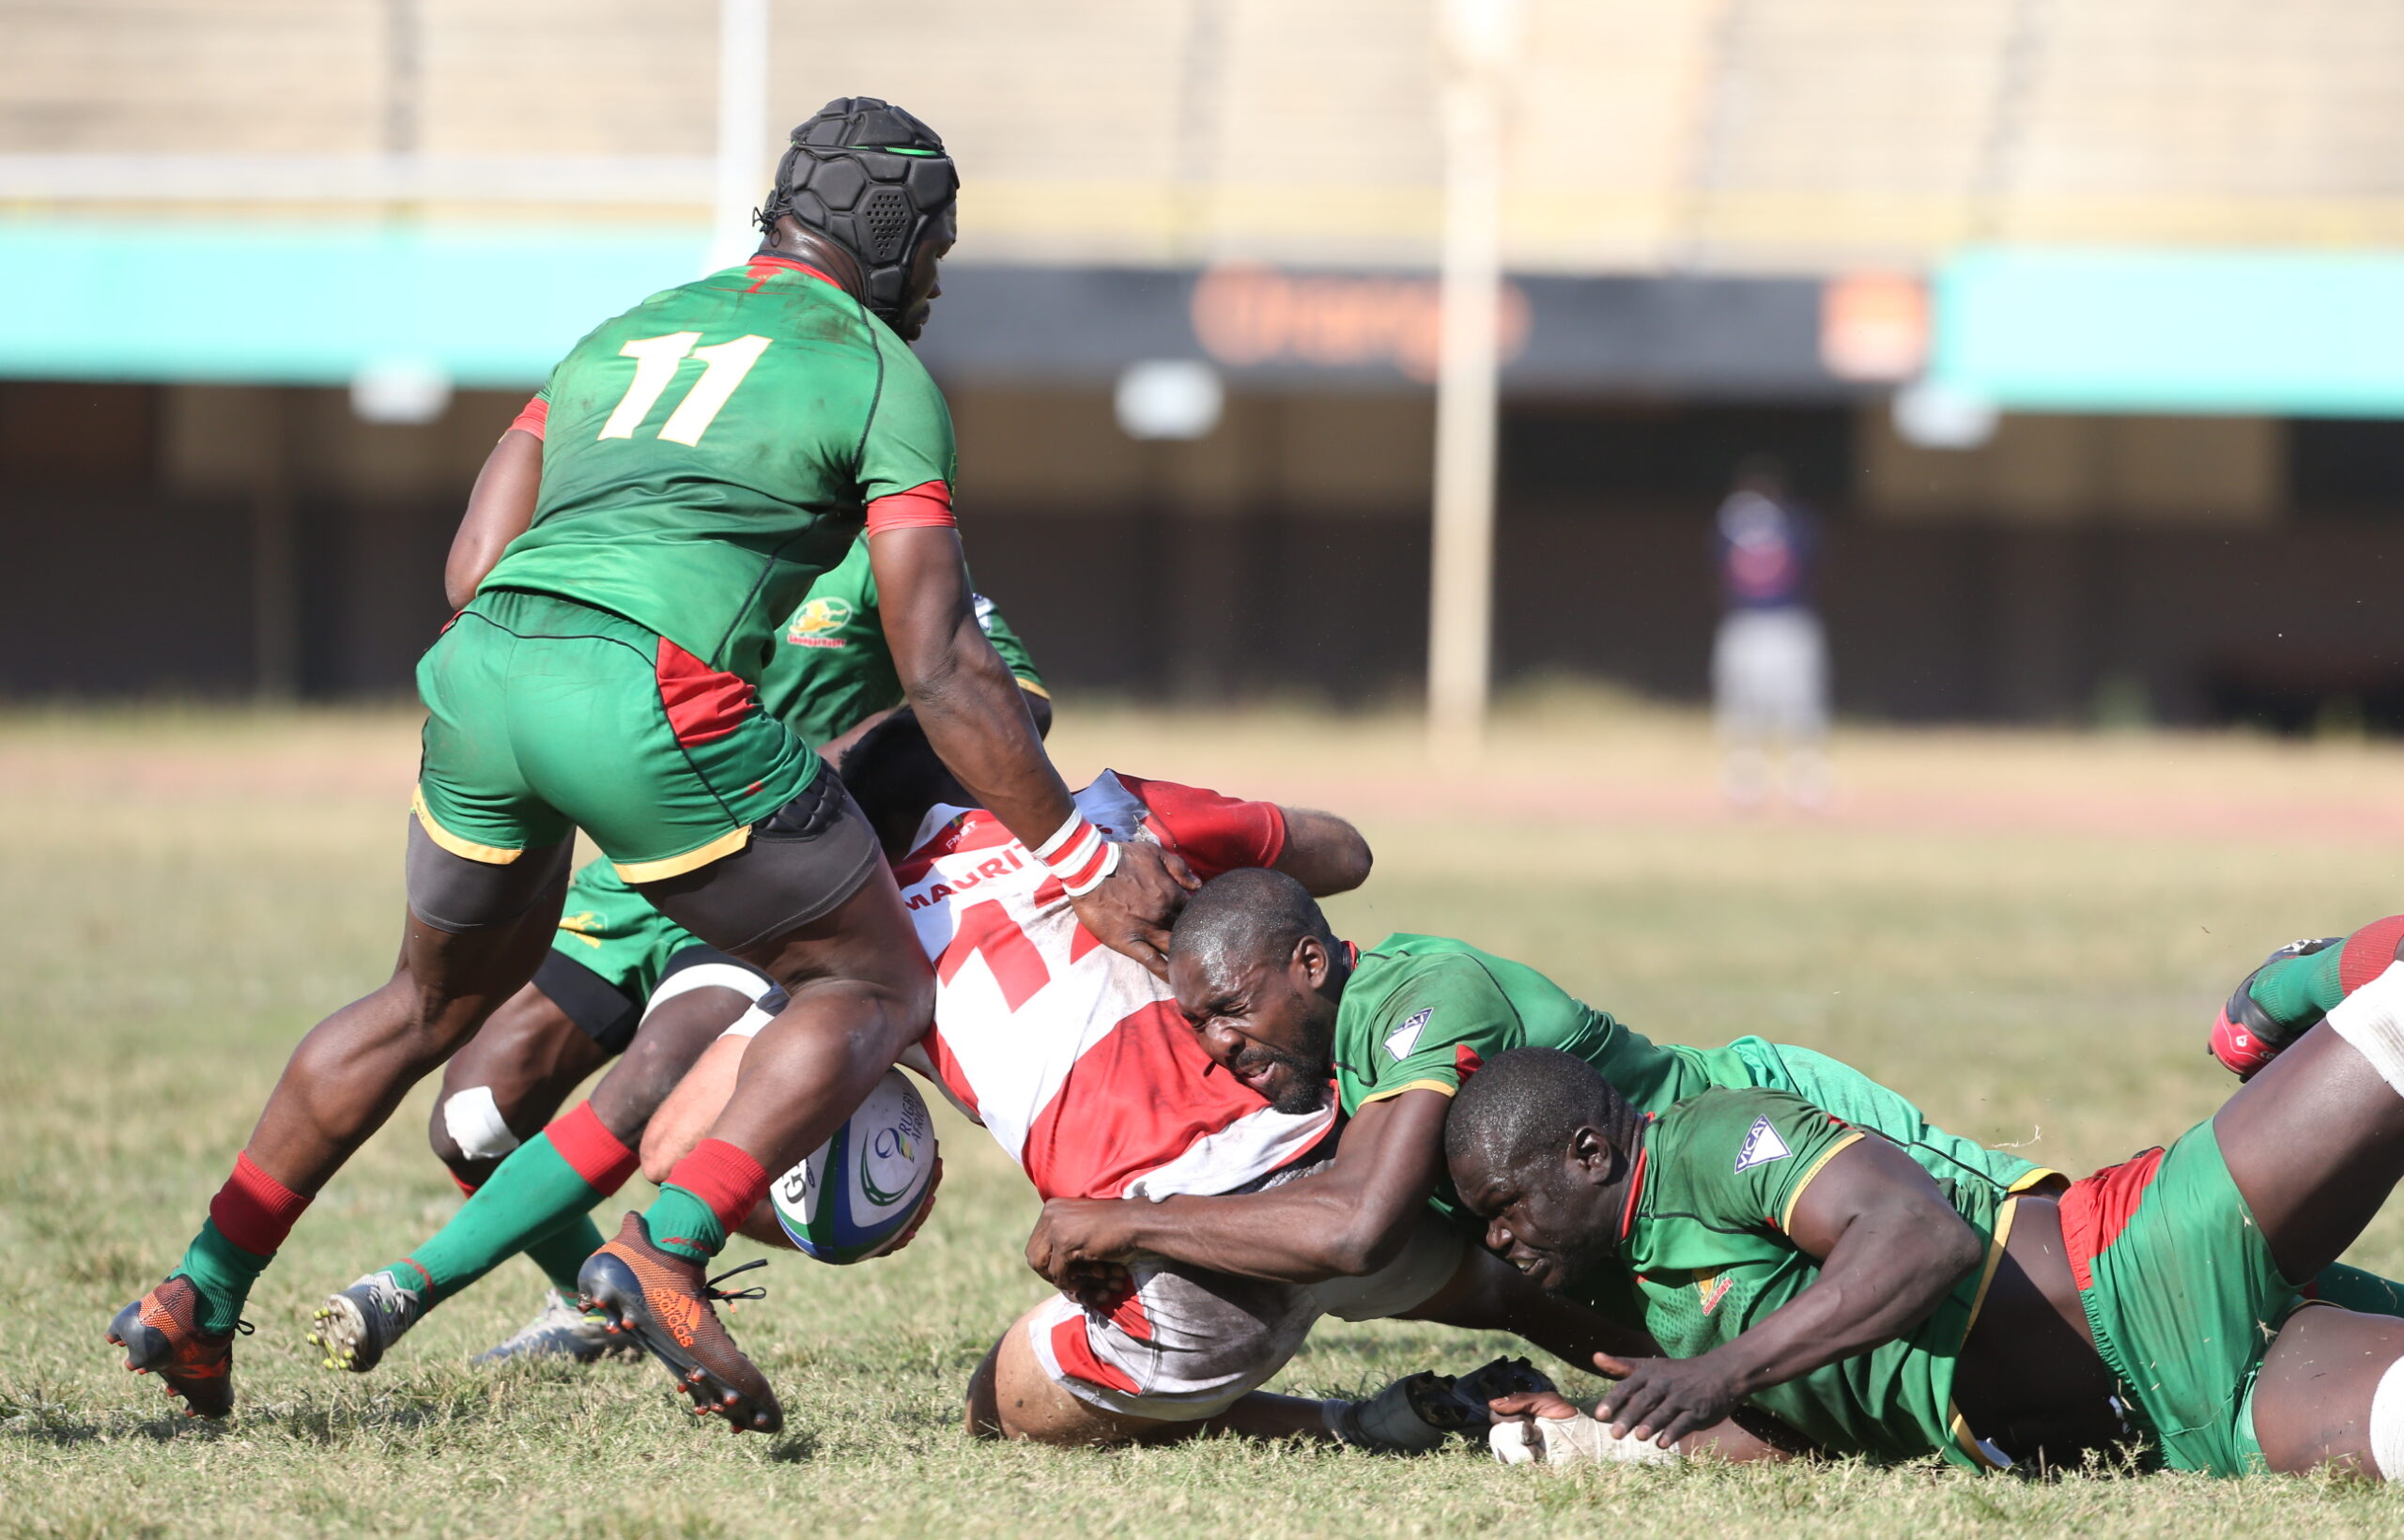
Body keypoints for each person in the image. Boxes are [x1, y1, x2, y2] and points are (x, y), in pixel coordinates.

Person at [106, 96, 1184, 1433]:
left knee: (420, 1002)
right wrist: (1079, 860)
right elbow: (949, 667)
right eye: (938, 247)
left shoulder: (624, 331)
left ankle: (200, 1286)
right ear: (894, 230)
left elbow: (467, 567)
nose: (940, 279)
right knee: (871, 975)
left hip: (484, 664)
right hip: (644, 696)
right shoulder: (878, 372)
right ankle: (664, 1244)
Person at [640, 716, 1721, 1455]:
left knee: (996, 1407)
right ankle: (1727, 1385)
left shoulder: (857, 945)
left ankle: (1349, 1428)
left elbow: (672, 1148)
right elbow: (1343, 854)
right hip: (1351, 1170)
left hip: (1190, 1278)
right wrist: (1177, 833)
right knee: (1505, 1286)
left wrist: (855, 1210)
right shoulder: (1113, 815)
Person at [306, 534, 1053, 1370]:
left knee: (651, 1089)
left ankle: (408, 1286)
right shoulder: (660, 528)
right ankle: (588, 1308)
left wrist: (833, 768)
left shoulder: (884, 543)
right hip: (638, 871)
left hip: (783, 870)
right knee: (471, 1121)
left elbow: (1017, 702)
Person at [1021, 871, 2055, 1332]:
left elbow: (1353, 1229)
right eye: (1197, 1023)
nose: (1217, 1047)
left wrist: (1127, 1221)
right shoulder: (1346, 1065)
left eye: (1230, 1011)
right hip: (1695, 1244)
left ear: (1309, 961)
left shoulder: (1417, 1000)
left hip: (1764, 1135)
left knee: (2060, 1264)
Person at [1445, 1000, 2404, 1479]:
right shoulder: (1657, 1294)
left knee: (2392, 1021)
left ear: (1587, 1154)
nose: (1498, 1238)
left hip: (2141, 1259)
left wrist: (1722, 1370)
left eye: (1502, 1206)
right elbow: (1799, 1428)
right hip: (2184, 1420)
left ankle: (2300, 980)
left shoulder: (1707, 1138)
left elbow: (1919, 1239)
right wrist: (1618, 1432)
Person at [1711, 460, 1828, 808]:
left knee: (1800, 707)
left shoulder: (1797, 524)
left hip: (1789, 622)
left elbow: (1812, 565)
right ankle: (1745, 784)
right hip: (1745, 623)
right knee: (1741, 708)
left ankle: (1807, 784)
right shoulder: (1728, 525)